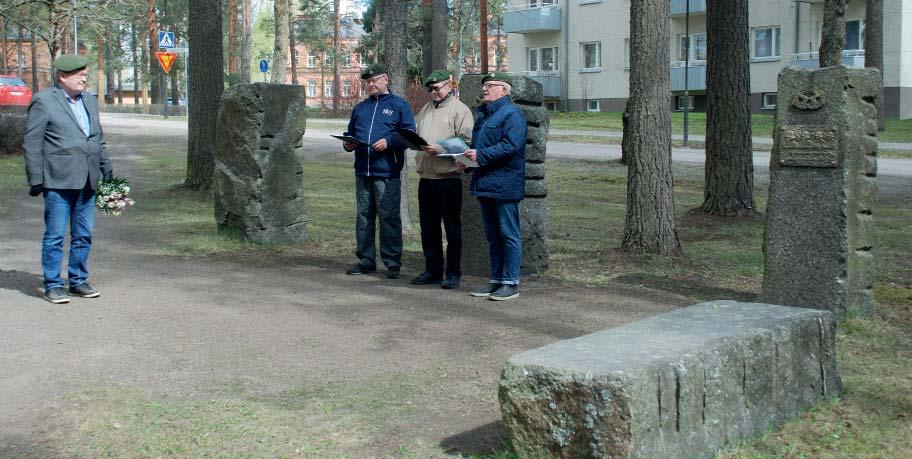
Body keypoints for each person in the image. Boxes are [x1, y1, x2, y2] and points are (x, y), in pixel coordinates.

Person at [24, 54, 113, 304]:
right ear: (63, 76)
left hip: (87, 178)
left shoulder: (90, 100)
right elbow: (32, 142)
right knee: (55, 236)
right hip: (58, 181)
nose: (84, 77)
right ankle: (53, 284)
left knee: (83, 234)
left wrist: (106, 166)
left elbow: (97, 137)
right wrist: (36, 178)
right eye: (79, 74)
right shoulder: (43, 101)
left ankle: (78, 281)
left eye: (86, 73)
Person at [340, 63, 416, 279]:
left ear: (386, 80)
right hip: (363, 171)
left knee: (388, 217)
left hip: (387, 172)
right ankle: (365, 260)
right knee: (363, 217)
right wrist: (348, 143)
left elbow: (409, 134)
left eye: (375, 80)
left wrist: (390, 141)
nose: (371, 84)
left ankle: (392, 263)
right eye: (368, 81)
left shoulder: (399, 105)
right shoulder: (360, 108)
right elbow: (351, 132)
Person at [460, 72, 527, 301]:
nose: (485, 89)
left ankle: (511, 283)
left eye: (490, 85)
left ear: (504, 90)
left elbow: (511, 146)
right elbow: (481, 147)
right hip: (486, 182)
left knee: (509, 234)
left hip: (505, 183)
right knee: (493, 236)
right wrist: (467, 162)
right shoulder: (485, 116)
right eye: (484, 86)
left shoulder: (513, 114)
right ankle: (497, 280)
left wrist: (480, 154)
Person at [409, 70, 474, 290]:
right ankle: (433, 270)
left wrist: (440, 148)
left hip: (448, 178)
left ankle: (453, 273)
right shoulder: (426, 109)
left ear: (449, 85)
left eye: (437, 88)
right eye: (430, 89)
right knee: (428, 228)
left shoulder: (460, 110)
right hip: (426, 176)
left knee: (452, 228)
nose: (433, 92)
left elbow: (465, 142)